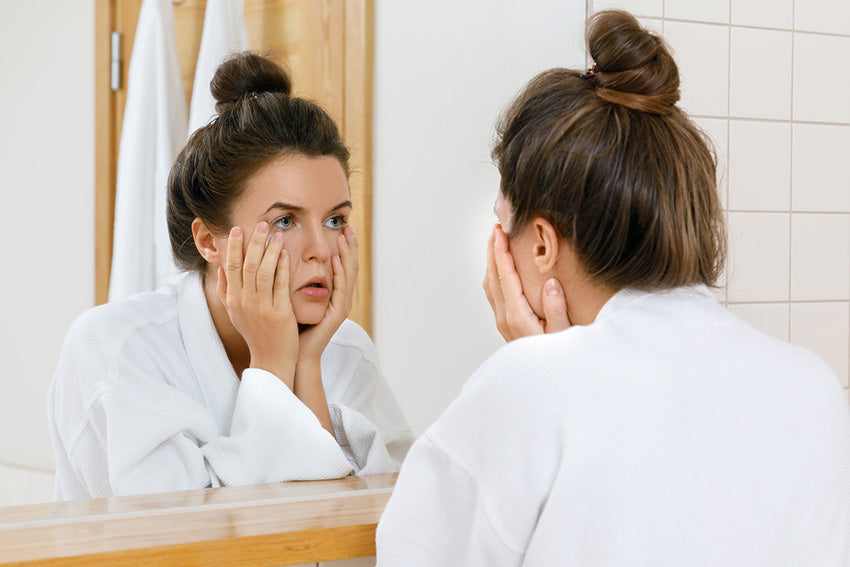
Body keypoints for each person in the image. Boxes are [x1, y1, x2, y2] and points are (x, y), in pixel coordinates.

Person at [377, 10, 850, 566]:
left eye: (503, 223)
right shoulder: (813, 388)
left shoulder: (530, 387)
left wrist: (539, 364)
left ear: (541, 245)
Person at [49, 52, 413, 500]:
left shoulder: (347, 352)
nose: (321, 250)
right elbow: (190, 542)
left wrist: (305, 363)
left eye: (335, 220)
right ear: (208, 241)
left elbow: (362, 527)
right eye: (285, 221)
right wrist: (273, 364)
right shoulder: (116, 349)